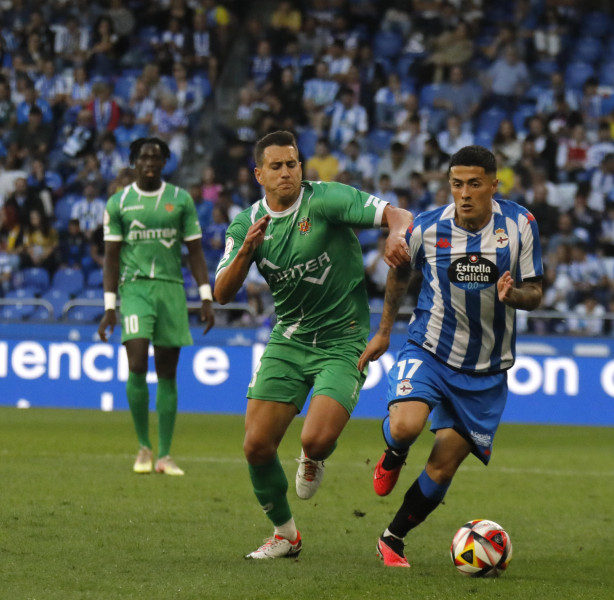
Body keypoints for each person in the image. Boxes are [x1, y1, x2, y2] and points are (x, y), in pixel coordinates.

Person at [213, 130, 412, 560]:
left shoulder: (325, 199)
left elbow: (399, 215)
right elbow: (221, 293)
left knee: (316, 440)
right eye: (277, 166)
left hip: (344, 340)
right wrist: (246, 252)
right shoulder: (246, 224)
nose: (287, 172)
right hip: (290, 339)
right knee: (256, 446)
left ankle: (313, 456)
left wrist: (396, 235)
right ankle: (285, 534)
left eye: (293, 163)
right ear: (259, 174)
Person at [357, 145, 544, 568]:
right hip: (430, 349)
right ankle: (394, 451)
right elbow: (400, 272)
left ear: (494, 185)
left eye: (474, 184)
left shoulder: (520, 225)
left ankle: (393, 539)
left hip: (486, 371)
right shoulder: (428, 228)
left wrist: (514, 294)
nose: (464, 193)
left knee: (442, 467)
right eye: (457, 184)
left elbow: (535, 291)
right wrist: (384, 331)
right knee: (405, 427)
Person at [98, 137, 215, 477]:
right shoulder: (119, 203)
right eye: (144, 157)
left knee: (167, 371)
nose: (150, 161)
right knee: (136, 362)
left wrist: (205, 296)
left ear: (165, 162)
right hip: (134, 289)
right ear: (134, 161)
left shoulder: (180, 201)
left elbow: (195, 252)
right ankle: (143, 447)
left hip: (171, 290)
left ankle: (164, 455)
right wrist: (110, 307)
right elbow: (111, 258)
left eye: (157, 156)